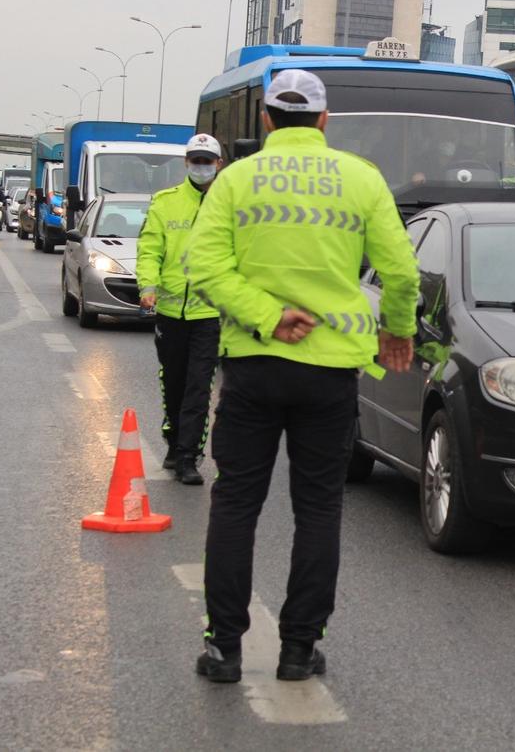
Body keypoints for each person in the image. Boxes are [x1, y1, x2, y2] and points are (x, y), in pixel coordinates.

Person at [184, 69, 420, 684]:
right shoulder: (361, 179)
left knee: (235, 505)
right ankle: (297, 649)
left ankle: (223, 649)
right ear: (323, 120)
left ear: (265, 120)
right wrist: (398, 330)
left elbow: (203, 266)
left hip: (253, 369)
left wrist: (266, 316)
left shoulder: (235, 179)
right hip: (330, 375)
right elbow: (401, 273)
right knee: (318, 510)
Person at [135, 134, 225, 485]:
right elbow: (150, 248)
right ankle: (174, 444)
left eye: (207, 161)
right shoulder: (165, 202)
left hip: (209, 314)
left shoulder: (229, 205)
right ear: (186, 162)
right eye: (196, 160)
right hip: (170, 313)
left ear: (218, 165)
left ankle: (189, 455)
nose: (201, 166)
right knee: (173, 382)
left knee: (198, 387)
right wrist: (148, 286)